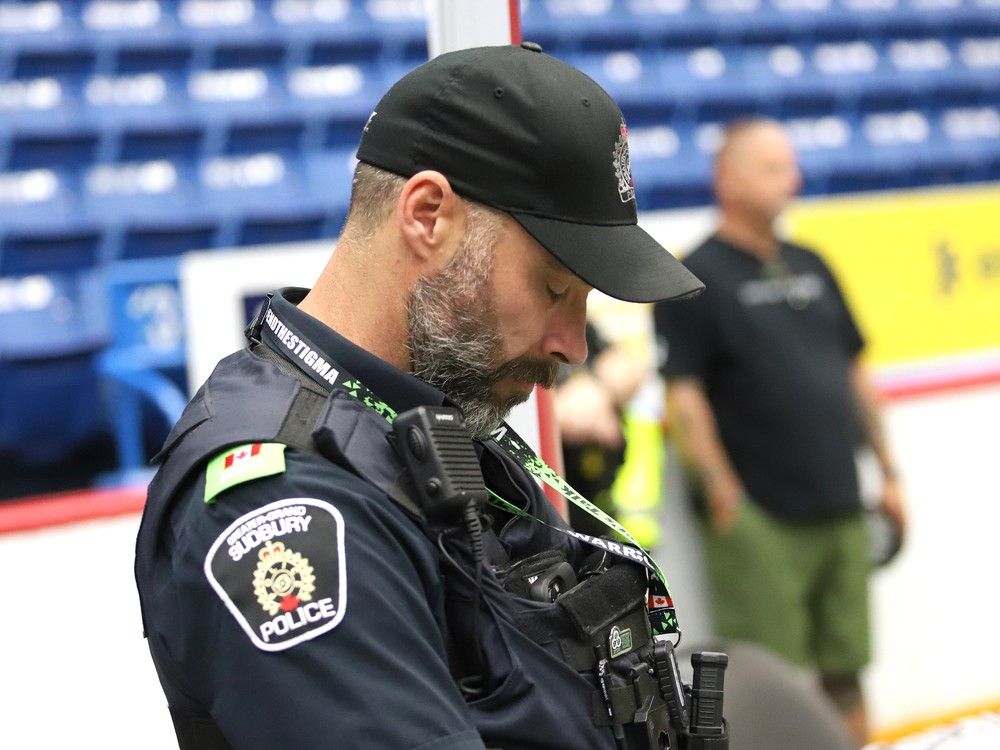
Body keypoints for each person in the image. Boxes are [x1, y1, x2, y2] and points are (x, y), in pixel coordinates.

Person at [134, 44, 706, 750]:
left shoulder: (432, 410)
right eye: (554, 287)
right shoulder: (289, 503)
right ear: (428, 216)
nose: (573, 344)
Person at [652, 118, 906, 747]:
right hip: (760, 519)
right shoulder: (694, 279)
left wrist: (890, 473)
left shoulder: (814, 263)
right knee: (770, 685)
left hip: (842, 505)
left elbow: (854, 373)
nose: (790, 179)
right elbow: (684, 397)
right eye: (771, 167)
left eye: (789, 165)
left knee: (847, 673)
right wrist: (724, 494)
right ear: (727, 179)